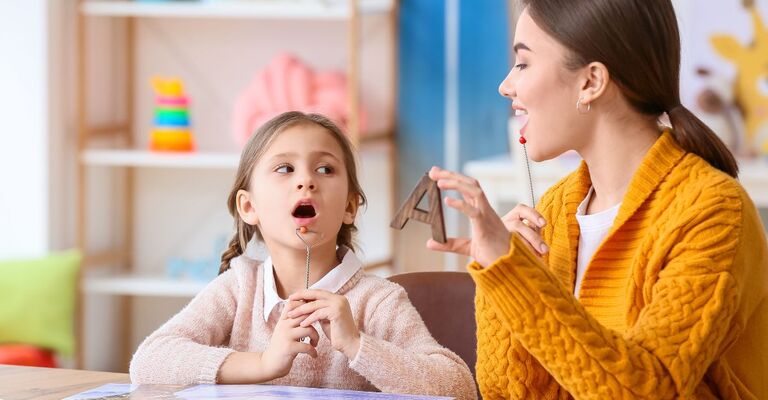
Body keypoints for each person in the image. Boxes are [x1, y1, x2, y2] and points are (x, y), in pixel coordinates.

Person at [428, 1, 768, 398]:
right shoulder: (552, 213)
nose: (506, 86)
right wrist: (501, 277)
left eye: (523, 64)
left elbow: (646, 392)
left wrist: (516, 279)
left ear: (591, 82)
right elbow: (507, 393)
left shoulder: (712, 211)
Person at [130, 111, 477, 400]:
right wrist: (264, 364)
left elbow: (458, 386)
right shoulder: (239, 288)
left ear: (350, 206)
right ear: (249, 206)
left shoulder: (377, 300)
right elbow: (149, 360)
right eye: (284, 169)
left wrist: (357, 345)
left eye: (325, 169)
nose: (307, 181)